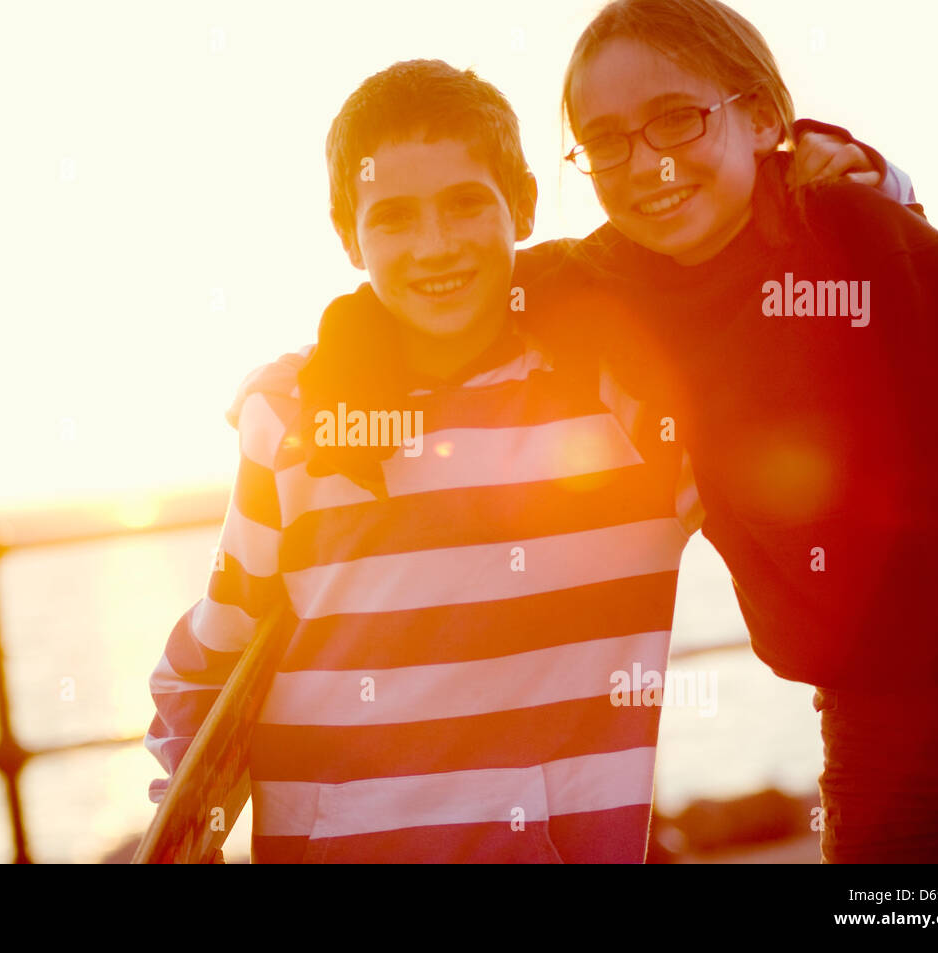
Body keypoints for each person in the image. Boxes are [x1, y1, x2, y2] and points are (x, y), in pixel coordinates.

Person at [311, 0, 938, 863]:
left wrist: (874, 172)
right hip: (875, 720)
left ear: (761, 117)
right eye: (606, 140)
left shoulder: (867, 239)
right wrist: (342, 360)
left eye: (676, 120)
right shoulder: (618, 281)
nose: (647, 163)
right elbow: (477, 281)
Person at [147, 54, 891, 862]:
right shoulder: (294, 414)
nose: (434, 245)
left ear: (525, 206)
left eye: (465, 203)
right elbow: (206, 665)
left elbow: (768, 293)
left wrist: (860, 179)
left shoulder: (628, 409)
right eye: (393, 217)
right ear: (347, 236)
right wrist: (192, 835)